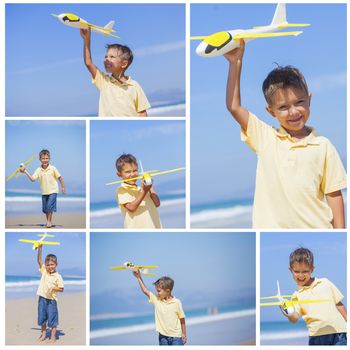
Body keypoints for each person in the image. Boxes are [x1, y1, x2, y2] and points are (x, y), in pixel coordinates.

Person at [224, 40, 346, 229]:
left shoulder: (323, 146)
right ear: (271, 111)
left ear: (309, 100)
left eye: (299, 102)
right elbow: (234, 107)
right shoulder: (265, 138)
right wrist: (235, 64)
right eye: (283, 107)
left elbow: (334, 194)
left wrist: (341, 233)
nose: (294, 112)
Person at [282, 247, 347, 345]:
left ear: (312, 269)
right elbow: (294, 318)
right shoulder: (296, 296)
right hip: (317, 336)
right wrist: (287, 311)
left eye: (305, 271)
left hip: (339, 333)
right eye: (296, 271)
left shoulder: (325, 283)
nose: (300, 275)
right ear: (290, 270)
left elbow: (339, 304)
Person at [80, 28, 151, 117]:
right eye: (106, 56)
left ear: (124, 64)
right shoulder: (104, 82)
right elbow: (88, 63)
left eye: (112, 57)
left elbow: (142, 112)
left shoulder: (134, 86)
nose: (106, 59)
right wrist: (87, 39)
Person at [133, 271, 187, 345]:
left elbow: (182, 319)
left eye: (159, 291)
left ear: (167, 291)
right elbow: (145, 291)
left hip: (176, 338)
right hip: (163, 338)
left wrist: (184, 334)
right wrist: (138, 277)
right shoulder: (157, 300)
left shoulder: (177, 302)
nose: (157, 293)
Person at [21, 149, 65, 228]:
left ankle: (49, 222)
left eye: (46, 158)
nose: (45, 160)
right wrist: (25, 172)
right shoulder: (38, 170)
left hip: (53, 191)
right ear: (40, 159)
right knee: (45, 210)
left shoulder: (53, 168)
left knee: (49, 207)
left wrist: (63, 187)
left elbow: (60, 178)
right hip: (44, 192)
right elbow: (33, 179)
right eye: (43, 158)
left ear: (49, 158)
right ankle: (48, 221)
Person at [115, 154, 161, 229]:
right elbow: (131, 208)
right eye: (128, 172)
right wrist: (144, 191)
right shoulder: (122, 190)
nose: (132, 174)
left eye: (135, 170)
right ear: (119, 174)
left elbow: (157, 203)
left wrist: (150, 186)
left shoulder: (142, 188)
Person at [36, 244, 64, 343]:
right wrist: (40, 249)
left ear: (56, 264)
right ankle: (43, 335)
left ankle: (53, 337)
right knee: (42, 317)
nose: (49, 267)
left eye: (52, 264)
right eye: (47, 265)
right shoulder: (44, 272)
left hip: (52, 301)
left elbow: (61, 289)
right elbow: (39, 261)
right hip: (42, 299)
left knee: (52, 319)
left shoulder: (58, 276)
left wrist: (54, 287)